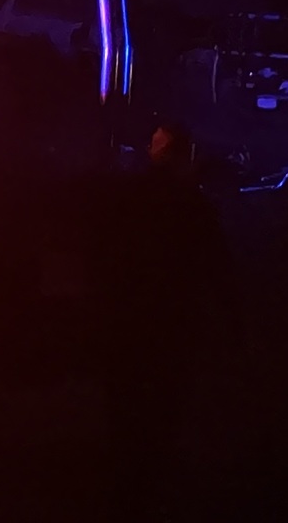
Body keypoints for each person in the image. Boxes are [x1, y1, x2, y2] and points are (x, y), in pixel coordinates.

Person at [93, 121, 238, 521]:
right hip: (170, 322)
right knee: (161, 407)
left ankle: (124, 489)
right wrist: (231, 326)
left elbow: (104, 254)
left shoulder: (128, 197)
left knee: (125, 407)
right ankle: (148, 486)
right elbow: (218, 269)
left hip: (129, 320)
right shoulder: (192, 205)